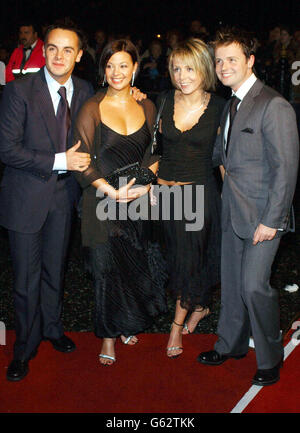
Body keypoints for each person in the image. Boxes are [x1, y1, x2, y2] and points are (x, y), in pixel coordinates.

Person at [197, 27, 299, 386]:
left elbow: (285, 169)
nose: (223, 67)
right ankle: (230, 345)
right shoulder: (230, 105)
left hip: (264, 217)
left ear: (250, 61)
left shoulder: (274, 104)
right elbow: (223, 158)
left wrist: (272, 220)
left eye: (232, 59)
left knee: (255, 286)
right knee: (233, 283)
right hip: (233, 212)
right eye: (219, 60)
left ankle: (271, 357)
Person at [0, 23, 94, 381]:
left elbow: (106, 118)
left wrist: (133, 95)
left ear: (79, 56)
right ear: (44, 51)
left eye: (67, 50)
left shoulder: (85, 91)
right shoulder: (19, 91)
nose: (58, 56)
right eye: (52, 48)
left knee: (55, 270)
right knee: (25, 279)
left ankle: (52, 328)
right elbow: (7, 150)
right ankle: (25, 346)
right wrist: (60, 161)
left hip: (63, 197)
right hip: (25, 197)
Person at [73, 39, 168, 366]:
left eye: (124, 65)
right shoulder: (91, 107)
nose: (116, 72)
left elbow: (154, 153)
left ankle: (126, 321)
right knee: (105, 271)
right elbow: (82, 160)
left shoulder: (147, 106)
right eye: (111, 65)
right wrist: (112, 193)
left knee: (133, 268)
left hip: (137, 201)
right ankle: (109, 337)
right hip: (101, 201)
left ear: (135, 69)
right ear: (104, 68)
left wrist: (143, 187)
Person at [154, 38, 225, 358]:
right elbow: (154, 149)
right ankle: (201, 305)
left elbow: (225, 160)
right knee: (175, 261)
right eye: (176, 68)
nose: (182, 75)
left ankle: (176, 328)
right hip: (164, 196)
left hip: (198, 195)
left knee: (188, 262)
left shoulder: (222, 108)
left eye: (190, 68)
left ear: (204, 70)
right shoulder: (162, 100)